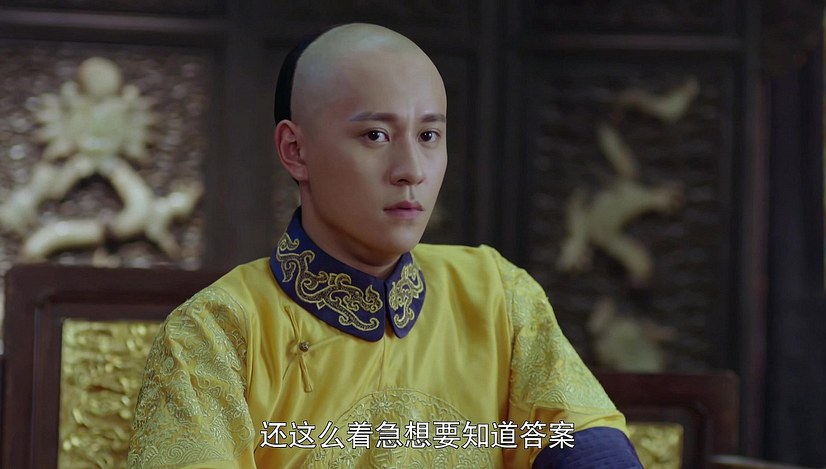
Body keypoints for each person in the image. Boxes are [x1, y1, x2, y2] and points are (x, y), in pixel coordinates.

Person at [128, 23, 642, 468]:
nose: (411, 171)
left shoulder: (496, 295)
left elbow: (587, 444)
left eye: (429, 136)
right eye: (375, 135)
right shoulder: (215, 333)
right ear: (295, 150)